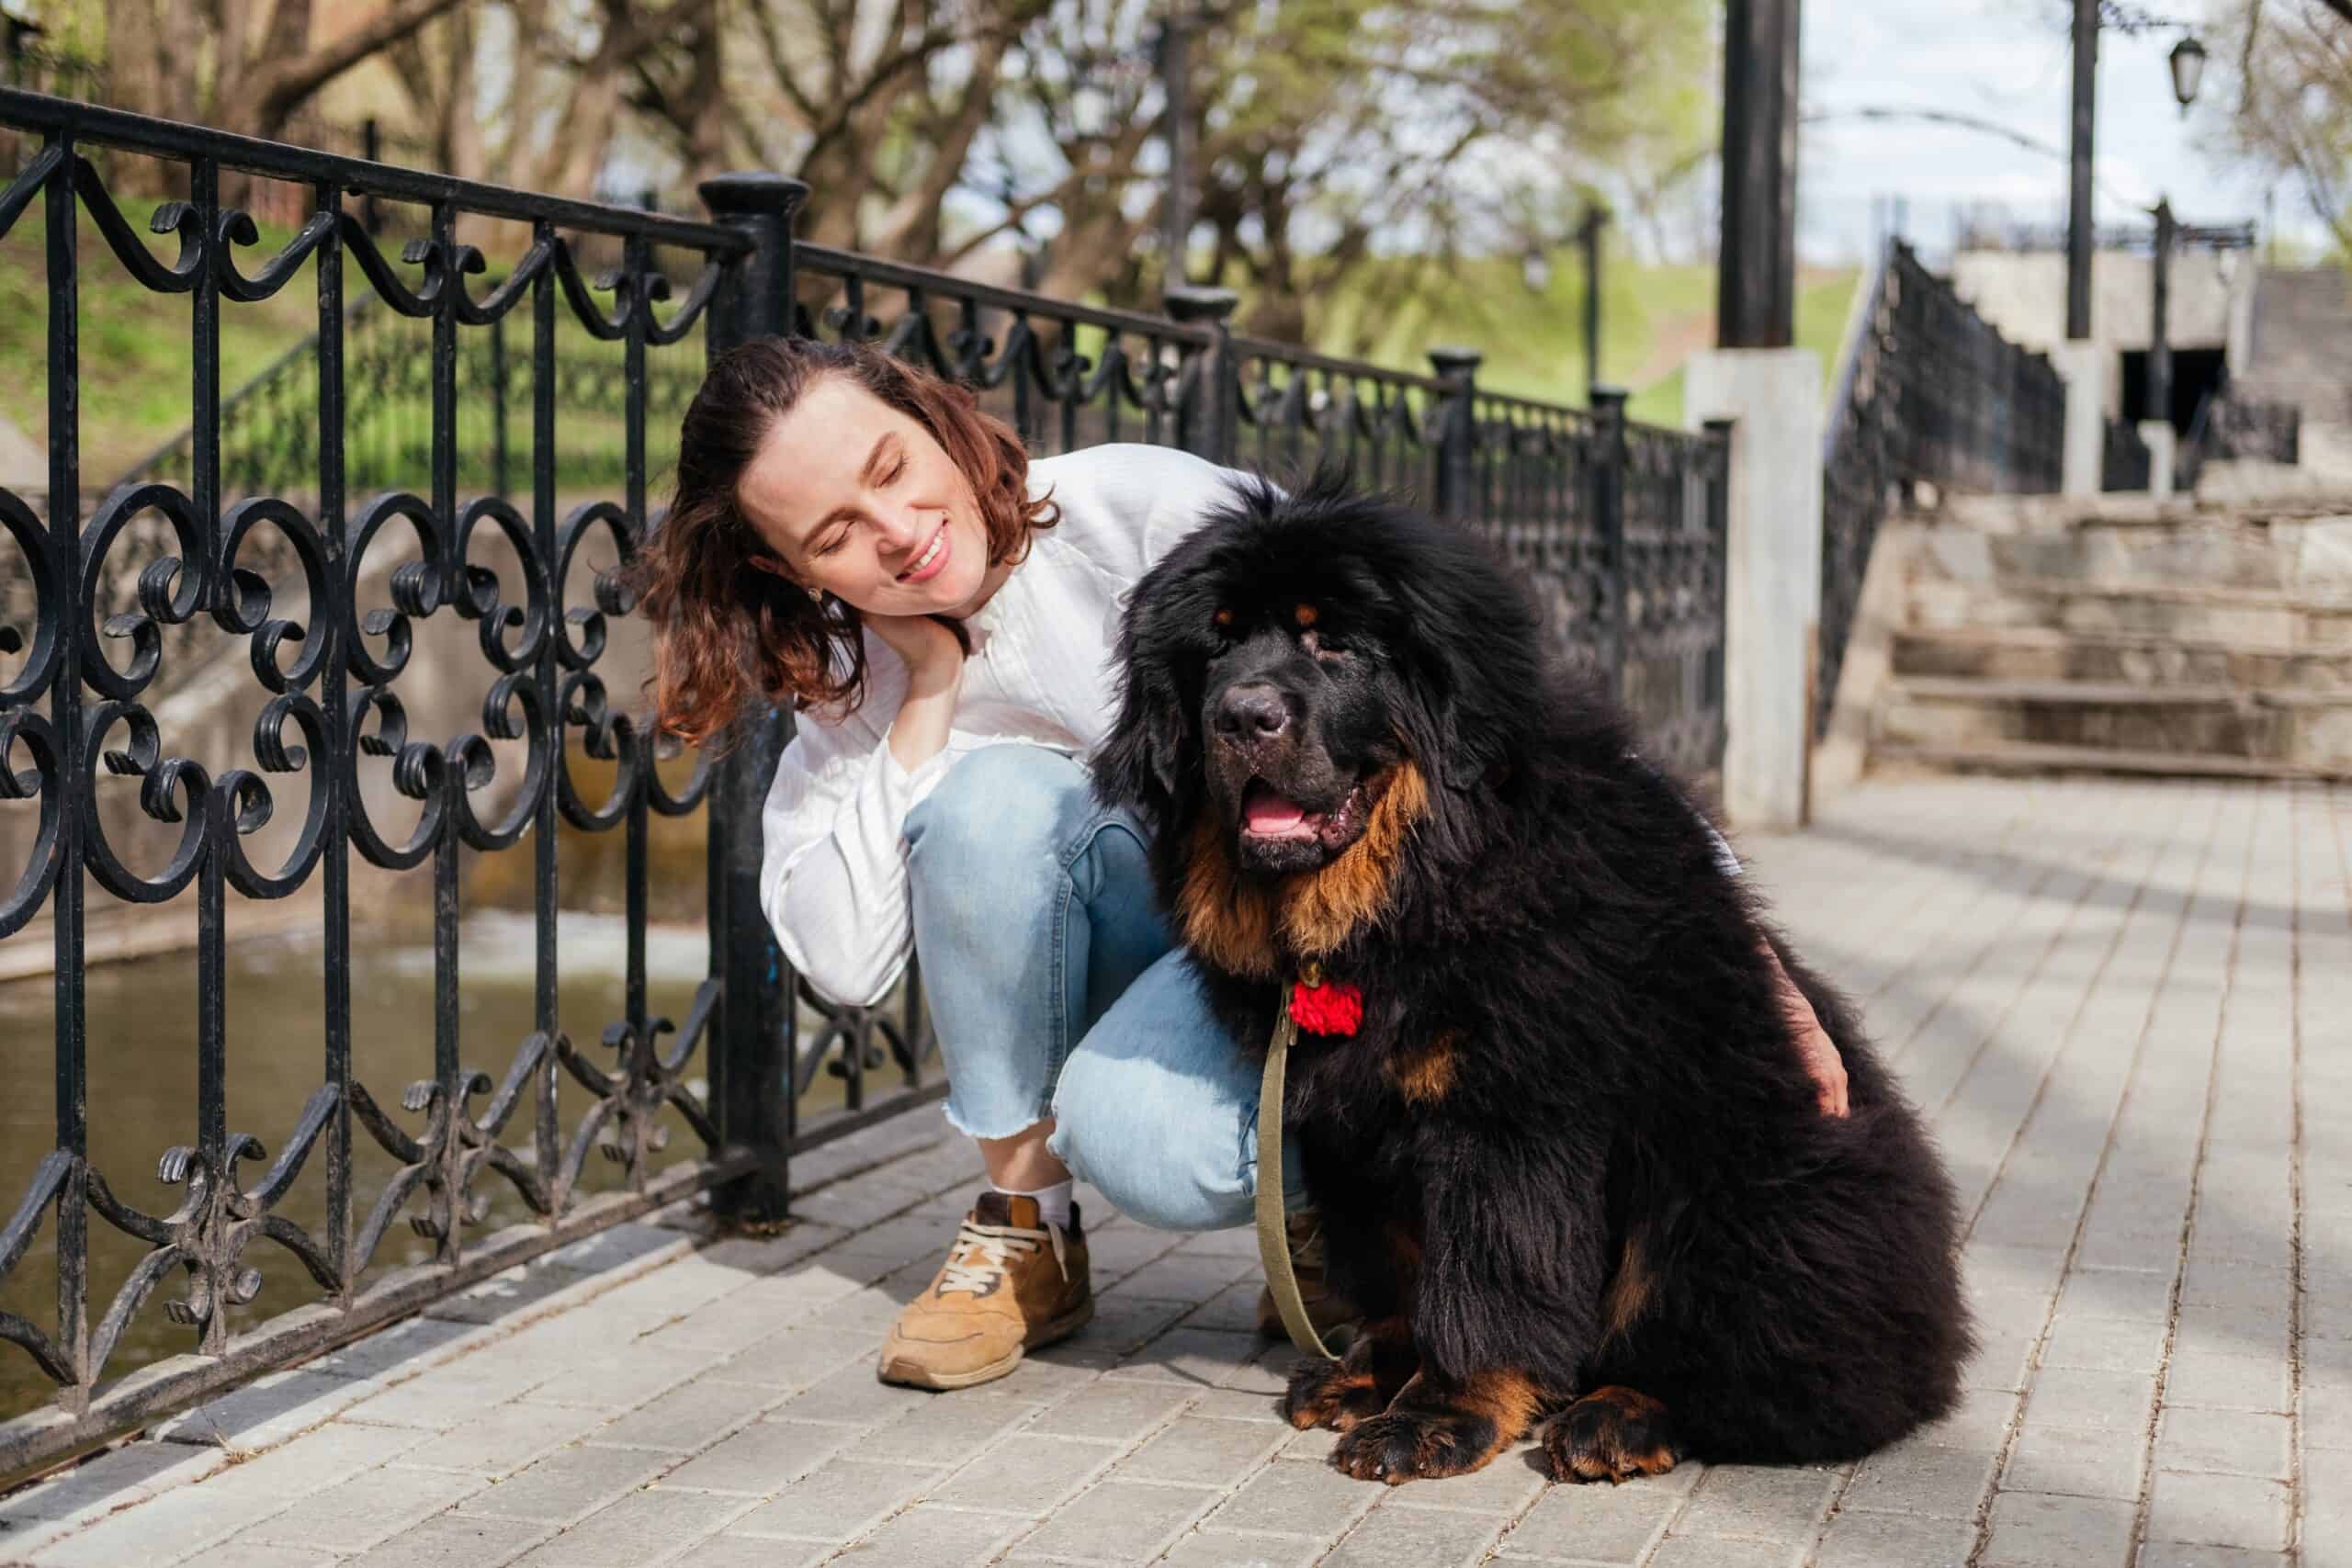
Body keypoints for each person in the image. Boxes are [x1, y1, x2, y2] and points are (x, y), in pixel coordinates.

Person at [626, 334, 1852, 1393]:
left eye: (892, 469)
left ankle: (1344, 1215)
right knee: (1000, 819)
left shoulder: (1140, 510)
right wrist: (931, 691)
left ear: (933, 420)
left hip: (1299, 947)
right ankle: (1024, 1229)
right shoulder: (852, 680)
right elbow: (842, 962)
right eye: (835, 533)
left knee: (1170, 1116)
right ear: (788, 570)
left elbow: (1501, 711)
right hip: (1175, 950)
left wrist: (1747, 951)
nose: (896, 533)